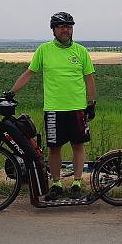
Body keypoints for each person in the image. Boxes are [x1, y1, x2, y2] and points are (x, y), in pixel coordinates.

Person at [8, 12, 97, 201]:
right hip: (54, 109)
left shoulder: (81, 51)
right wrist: (12, 92)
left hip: (77, 108)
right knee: (54, 148)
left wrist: (91, 103)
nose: (66, 30)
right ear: (54, 30)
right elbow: (30, 73)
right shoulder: (44, 50)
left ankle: (77, 183)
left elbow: (89, 78)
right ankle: (56, 184)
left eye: (69, 26)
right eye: (61, 26)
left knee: (78, 146)